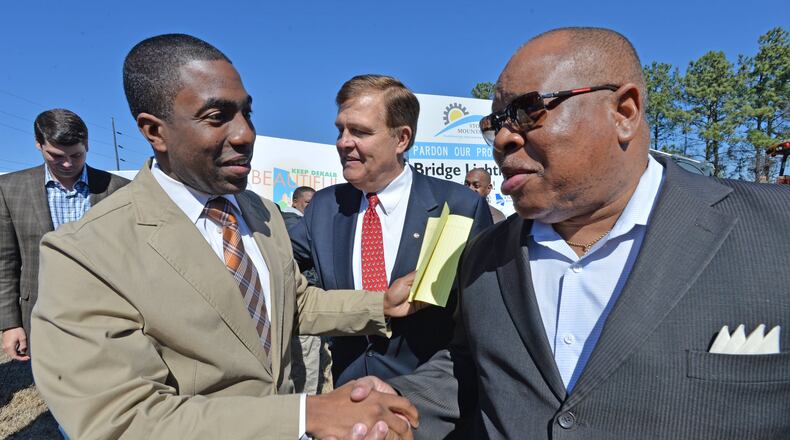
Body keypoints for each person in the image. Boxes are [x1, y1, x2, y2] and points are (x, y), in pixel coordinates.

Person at [379, 27, 788, 439]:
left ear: (624, 112)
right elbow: (473, 369)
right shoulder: (484, 256)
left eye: (526, 110)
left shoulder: (774, 229)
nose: (503, 139)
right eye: (495, 124)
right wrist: (388, 409)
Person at [30, 34, 419, 440]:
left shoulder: (261, 213)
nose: (245, 134)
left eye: (247, 114)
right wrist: (306, 416)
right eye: (217, 117)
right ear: (154, 131)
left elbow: (293, 303)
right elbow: (122, 422)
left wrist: (381, 305)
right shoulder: (84, 255)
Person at [289, 75, 493, 386]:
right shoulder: (324, 207)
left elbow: (483, 319)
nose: (343, 142)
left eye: (359, 131)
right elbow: (273, 261)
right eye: (340, 130)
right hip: (349, 403)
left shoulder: (459, 205)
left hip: (431, 408)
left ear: (402, 139)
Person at [0, 108, 128, 361]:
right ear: (39, 144)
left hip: (110, 312)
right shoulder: (10, 189)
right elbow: (5, 262)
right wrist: (9, 324)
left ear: (88, 144)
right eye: (56, 156)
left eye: (76, 154)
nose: (68, 164)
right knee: (58, 390)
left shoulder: (119, 189)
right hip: (43, 311)